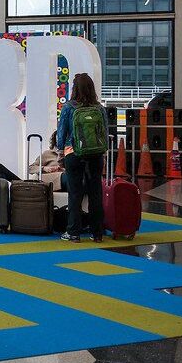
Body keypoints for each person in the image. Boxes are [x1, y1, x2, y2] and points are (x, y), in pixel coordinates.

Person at [56, 73, 108, 243]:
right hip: (96, 154)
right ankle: (97, 233)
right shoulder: (99, 108)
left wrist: (60, 152)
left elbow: (61, 134)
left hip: (74, 153)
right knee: (96, 193)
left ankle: (73, 232)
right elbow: (105, 133)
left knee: (75, 193)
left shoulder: (69, 108)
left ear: (74, 88)